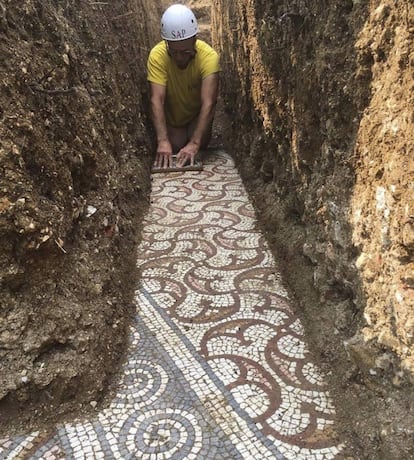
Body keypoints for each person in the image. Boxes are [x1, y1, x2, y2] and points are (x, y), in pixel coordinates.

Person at [147, 4, 220, 168]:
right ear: (166, 43)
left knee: (199, 143)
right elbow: (156, 99)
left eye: (185, 52)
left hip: (195, 119)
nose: (179, 58)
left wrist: (195, 143)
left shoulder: (209, 57)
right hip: (174, 123)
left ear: (195, 40)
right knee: (176, 145)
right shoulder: (157, 56)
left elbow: (209, 102)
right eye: (173, 52)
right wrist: (163, 141)